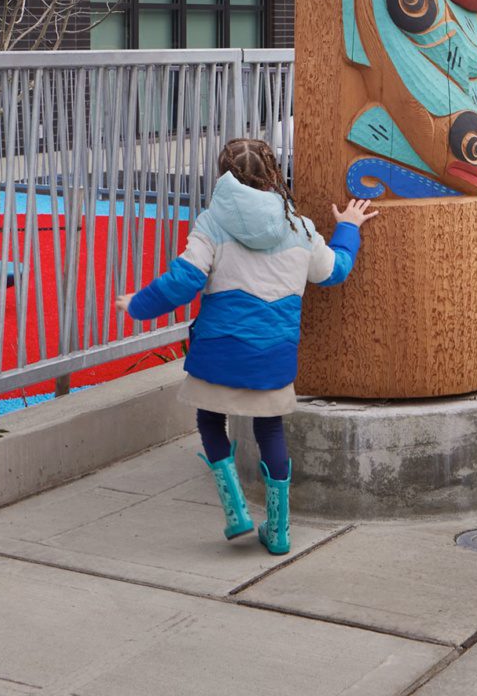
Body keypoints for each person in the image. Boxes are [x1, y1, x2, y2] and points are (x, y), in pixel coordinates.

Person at [126, 136, 374, 554]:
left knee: (209, 421)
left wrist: (138, 302)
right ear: (274, 173)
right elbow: (334, 271)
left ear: (223, 175)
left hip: (218, 351)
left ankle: (236, 511)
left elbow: (185, 281)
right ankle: (278, 531)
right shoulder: (299, 227)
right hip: (273, 354)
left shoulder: (211, 223)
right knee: (270, 429)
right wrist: (348, 226)